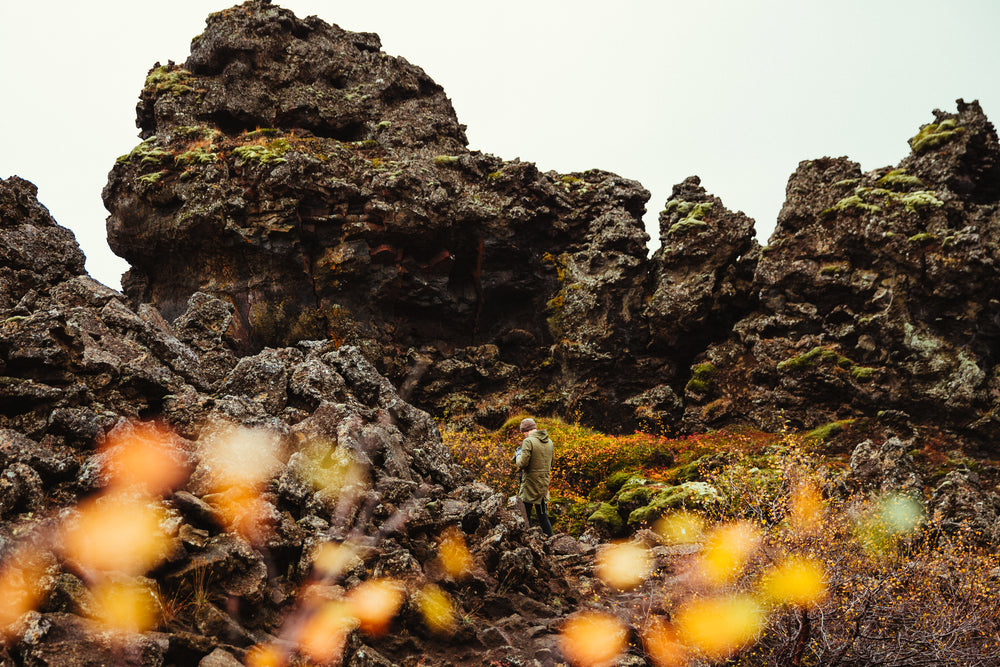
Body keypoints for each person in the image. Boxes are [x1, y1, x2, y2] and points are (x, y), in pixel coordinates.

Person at [514, 417, 554, 536]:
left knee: (526, 516)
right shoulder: (549, 442)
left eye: (523, 433)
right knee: (543, 517)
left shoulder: (528, 441)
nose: (524, 436)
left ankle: (530, 542)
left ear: (525, 431)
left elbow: (522, 463)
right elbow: (551, 463)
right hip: (543, 485)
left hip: (530, 485)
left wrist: (518, 455)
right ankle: (551, 542)